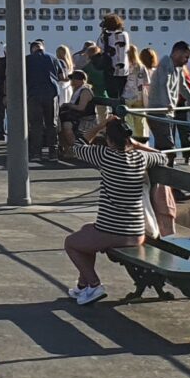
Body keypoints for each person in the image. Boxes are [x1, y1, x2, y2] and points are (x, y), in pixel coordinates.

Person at [63, 119, 152, 305]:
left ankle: (94, 285)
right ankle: (82, 285)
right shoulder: (141, 157)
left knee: (71, 243)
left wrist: (100, 125)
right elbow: (162, 156)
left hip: (113, 231)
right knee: (87, 230)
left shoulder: (104, 155)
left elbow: (78, 145)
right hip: (136, 232)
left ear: (109, 141)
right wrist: (136, 145)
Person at [24, 39, 65, 166]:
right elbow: (62, 77)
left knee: (36, 124)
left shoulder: (26, 60)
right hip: (51, 94)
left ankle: (36, 153)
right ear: (42, 48)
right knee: (51, 123)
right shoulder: (53, 58)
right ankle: (53, 153)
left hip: (33, 94)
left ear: (32, 49)